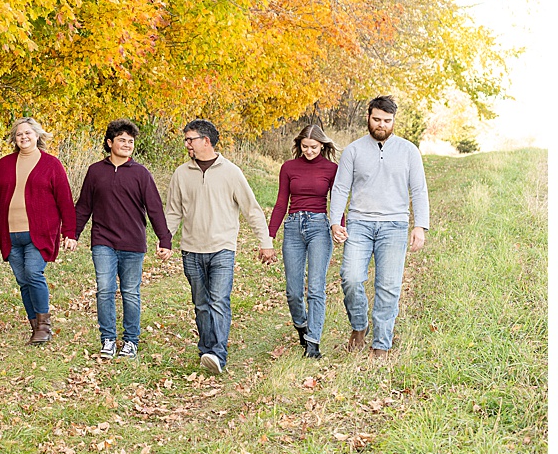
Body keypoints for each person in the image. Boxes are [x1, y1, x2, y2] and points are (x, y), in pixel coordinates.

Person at [164, 119, 274, 374]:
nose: (187, 144)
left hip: (222, 248)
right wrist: (165, 241)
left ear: (206, 141)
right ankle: (206, 350)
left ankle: (218, 354)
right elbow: (173, 212)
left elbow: (252, 210)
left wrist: (265, 242)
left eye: (190, 139)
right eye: (186, 140)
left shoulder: (231, 172)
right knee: (201, 303)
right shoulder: (181, 173)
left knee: (219, 301)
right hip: (191, 249)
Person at [329, 95, 429, 359]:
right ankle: (359, 326)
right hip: (359, 223)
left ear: (394, 120)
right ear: (368, 118)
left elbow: (418, 190)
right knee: (350, 277)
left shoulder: (409, 151)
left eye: (387, 120)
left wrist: (420, 226)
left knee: (388, 285)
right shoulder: (353, 150)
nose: (381, 125)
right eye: (377, 119)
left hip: (394, 225)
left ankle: (381, 344)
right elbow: (340, 188)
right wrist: (334, 221)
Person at [0, 117, 77, 345]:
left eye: (28, 133)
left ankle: (44, 327)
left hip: (40, 233)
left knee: (34, 274)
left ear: (37, 135)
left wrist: (70, 232)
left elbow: (65, 200)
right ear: (14, 139)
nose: (23, 137)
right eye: (19, 134)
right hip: (11, 234)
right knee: (23, 280)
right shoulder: (5, 165)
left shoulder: (51, 165)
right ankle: (35, 326)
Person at [74, 119, 173, 360]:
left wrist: (165, 239)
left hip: (133, 243)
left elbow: (154, 209)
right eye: (122, 140)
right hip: (103, 240)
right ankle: (107, 339)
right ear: (110, 143)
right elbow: (84, 206)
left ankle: (130, 341)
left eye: (130, 141)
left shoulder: (141, 173)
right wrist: (73, 234)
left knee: (130, 292)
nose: (127, 144)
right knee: (105, 290)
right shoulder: (95, 171)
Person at [268, 124, 339, 359]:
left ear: (322, 145)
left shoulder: (331, 168)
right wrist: (270, 235)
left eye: (314, 147)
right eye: (305, 146)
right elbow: (281, 202)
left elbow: (336, 201)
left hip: (319, 227)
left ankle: (313, 342)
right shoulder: (288, 167)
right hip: (293, 227)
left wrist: (339, 226)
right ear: (299, 145)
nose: (309, 151)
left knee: (316, 289)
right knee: (293, 291)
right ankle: (302, 326)